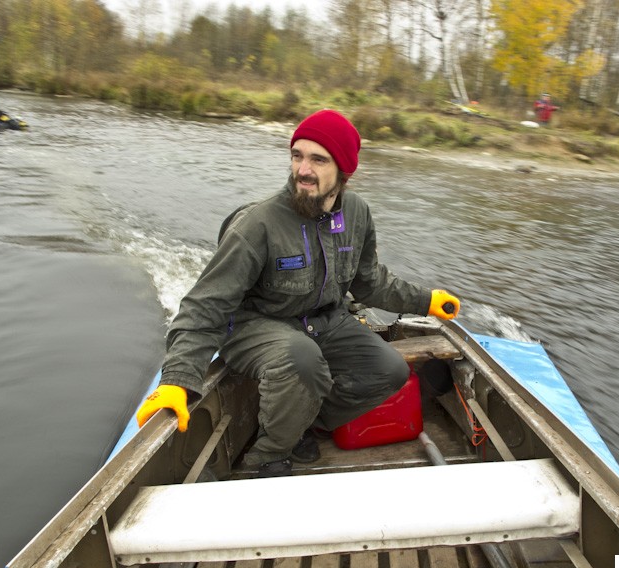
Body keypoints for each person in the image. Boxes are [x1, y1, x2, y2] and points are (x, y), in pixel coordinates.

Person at [135, 109, 461, 477]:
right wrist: (177, 380)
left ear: (344, 170)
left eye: (318, 160)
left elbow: (369, 281)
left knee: (389, 370)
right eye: (297, 156)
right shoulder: (258, 224)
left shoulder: (356, 213)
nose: (303, 169)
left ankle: (307, 422)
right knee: (301, 356)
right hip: (255, 323)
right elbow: (203, 306)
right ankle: (267, 457)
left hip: (325, 320)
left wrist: (426, 300)